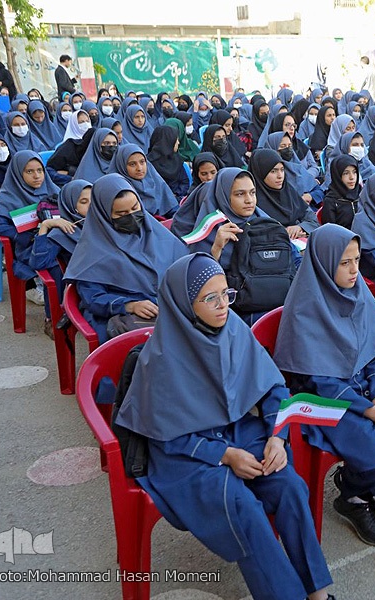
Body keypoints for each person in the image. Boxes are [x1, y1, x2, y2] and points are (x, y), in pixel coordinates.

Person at [113, 253, 334, 600]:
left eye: (226, 294)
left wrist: (277, 437)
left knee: (289, 485)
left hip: (239, 432)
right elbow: (164, 437)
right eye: (210, 298)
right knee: (239, 506)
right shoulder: (161, 359)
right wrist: (225, 455)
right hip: (187, 454)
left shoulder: (234, 331)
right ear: (185, 304)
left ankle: (318, 593)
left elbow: (274, 388)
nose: (223, 306)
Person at [274, 224, 375, 546]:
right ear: (323, 262)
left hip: (370, 388)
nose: (353, 271)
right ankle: (356, 497)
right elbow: (320, 381)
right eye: (344, 263)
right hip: (328, 403)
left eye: (357, 260)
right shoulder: (305, 309)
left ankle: (353, 489)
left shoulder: (359, 293)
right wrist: (370, 411)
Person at [63, 174, 187, 342]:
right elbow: (93, 299)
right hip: (127, 315)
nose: (131, 216)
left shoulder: (157, 234)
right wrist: (129, 305)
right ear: (104, 215)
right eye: (121, 213)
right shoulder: (92, 251)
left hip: (169, 305)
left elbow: (186, 269)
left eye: (135, 208)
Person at [187, 168, 301, 324]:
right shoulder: (209, 232)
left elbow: (296, 262)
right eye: (240, 194)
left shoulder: (267, 224)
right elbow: (200, 289)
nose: (249, 200)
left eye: (252, 193)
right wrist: (216, 250)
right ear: (224, 197)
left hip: (282, 305)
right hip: (236, 314)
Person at [0, 151, 65, 331]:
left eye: (40, 170)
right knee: (55, 268)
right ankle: (52, 318)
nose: (37, 176)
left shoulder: (53, 190)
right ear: (18, 173)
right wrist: (19, 235)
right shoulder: (10, 195)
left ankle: (74, 311)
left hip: (57, 242)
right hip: (30, 247)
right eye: (29, 171)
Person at [249, 148, 319, 238]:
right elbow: (255, 231)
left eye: (282, 170)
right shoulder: (251, 200)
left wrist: (300, 228)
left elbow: (312, 219)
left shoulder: (288, 191)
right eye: (273, 171)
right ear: (260, 173)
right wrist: (284, 233)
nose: (280, 176)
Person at [108, 144, 178, 218]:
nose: (139, 168)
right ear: (122, 166)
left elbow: (175, 211)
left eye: (142, 162)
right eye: (132, 164)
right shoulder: (118, 190)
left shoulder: (155, 180)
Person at [147, 125, 189, 200]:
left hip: (178, 198)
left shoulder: (176, 159)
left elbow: (185, 182)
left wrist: (176, 194)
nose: (178, 143)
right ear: (168, 141)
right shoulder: (149, 164)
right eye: (176, 140)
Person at [322, 155, 361, 229]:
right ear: (337, 175)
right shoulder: (331, 200)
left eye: (354, 172)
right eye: (346, 173)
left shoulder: (362, 194)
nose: (352, 177)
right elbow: (329, 231)